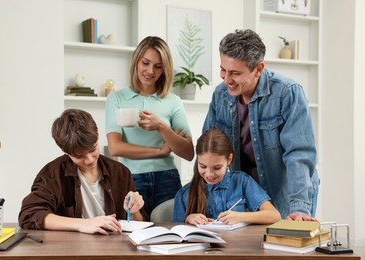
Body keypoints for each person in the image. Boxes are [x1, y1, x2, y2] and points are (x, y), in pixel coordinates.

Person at [203, 29, 320, 221]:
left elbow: (299, 154)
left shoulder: (287, 93)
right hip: (245, 194)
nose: (226, 79)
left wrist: (299, 206)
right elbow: (209, 147)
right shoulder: (220, 95)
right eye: (223, 70)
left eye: (235, 73)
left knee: (284, 247)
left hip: (286, 193)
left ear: (258, 69)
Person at [19, 109, 146, 235]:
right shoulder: (52, 174)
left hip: (114, 249)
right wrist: (82, 223)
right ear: (64, 150)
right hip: (70, 249)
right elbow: (29, 214)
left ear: (97, 133)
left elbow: (138, 224)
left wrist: (134, 211)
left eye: (93, 149)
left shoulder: (120, 172)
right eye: (79, 157)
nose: (89, 160)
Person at [105, 36, 194, 217]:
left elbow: (188, 152)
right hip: (131, 180)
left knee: (171, 236)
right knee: (135, 237)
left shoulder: (173, 101)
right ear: (136, 61)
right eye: (145, 63)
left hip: (167, 179)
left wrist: (161, 127)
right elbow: (115, 147)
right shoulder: (116, 98)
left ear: (164, 69)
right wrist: (161, 151)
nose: (150, 71)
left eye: (158, 66)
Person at [173, 128, 281, 225]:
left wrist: (241, 217)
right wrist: (188, 219)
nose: (209, 174)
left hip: (237, 245)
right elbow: (177, 231)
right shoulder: (184, 194)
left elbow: (274, 216)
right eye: (203, 166)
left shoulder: (242, 182)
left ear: (229, 159)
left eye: (217, 168)